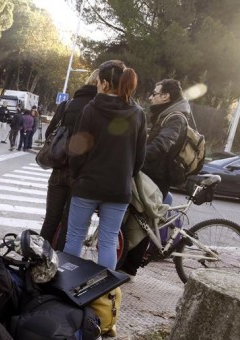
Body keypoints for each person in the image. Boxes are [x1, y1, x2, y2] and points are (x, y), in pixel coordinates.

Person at [64, 60, 147, 270]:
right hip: (119, 188)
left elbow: (77, 150)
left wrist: (77, 176)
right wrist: (127, 174)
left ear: (103, 83)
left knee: (74, 237)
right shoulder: (138, 114)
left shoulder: (91, 109)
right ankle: (105, 295)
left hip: (88, 185)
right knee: (109, 242)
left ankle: (64, 285)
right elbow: (139, 157)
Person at [119, 79, 193, 276]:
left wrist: (137, 155)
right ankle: (125, 263)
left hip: (158, 177)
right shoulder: (167, 115)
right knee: (138, 218)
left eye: (155, 93)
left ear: (166, 96)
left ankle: (129, 269)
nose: (151, 96)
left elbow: (162, 144)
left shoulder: (175, 117)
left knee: (144, 221)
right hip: (151, 173)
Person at [39, 70, 99, 249]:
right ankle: (58, 263)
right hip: (80, 173)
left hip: (58, 169)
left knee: (51, 219)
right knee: (69, 223)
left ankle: (38, 260)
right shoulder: (97, 108)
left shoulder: (68, 104)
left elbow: (50, 132)